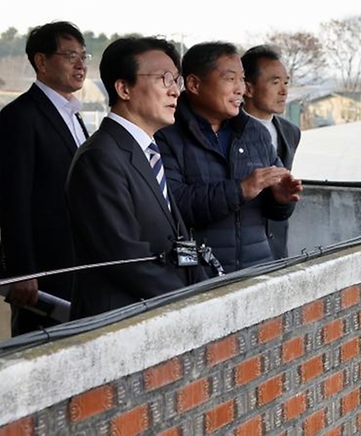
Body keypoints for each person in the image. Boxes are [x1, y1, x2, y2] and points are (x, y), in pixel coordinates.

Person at [65, 37, 207, 319]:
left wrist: (205, 287)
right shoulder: (101, 156)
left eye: (175, 80)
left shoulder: (148, 151)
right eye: (163, 79)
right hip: (119, 318)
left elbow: (178, 238)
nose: (174, 91)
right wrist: (188, 303)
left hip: (159, 310)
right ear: (124, 88)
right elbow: (125, 257)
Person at [156, 42, 302, 273]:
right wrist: (241, 189)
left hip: (256, 270)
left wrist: (281, 200)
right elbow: (174, 205)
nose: (240, 89)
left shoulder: (256, 133)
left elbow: (274, 213)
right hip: (197, 273)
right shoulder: (166, 134)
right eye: (230, 79)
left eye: (242, 79)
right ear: (194, 84)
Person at [0, 21, 89, 335]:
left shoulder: (74, 114)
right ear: (41, 61)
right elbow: (13, 199)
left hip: (78, 261)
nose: (80, 65)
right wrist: (21, 270)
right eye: (70, 56)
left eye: (83, 56)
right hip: (43, 268)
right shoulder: (20, 117)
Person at [241, 45, 301, 258]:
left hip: (276, 246)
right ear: (248, 88)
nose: (284, 91)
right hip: (241, 247)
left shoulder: (290, 131)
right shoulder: (226, 128)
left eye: (286, 82)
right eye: (275, 82)